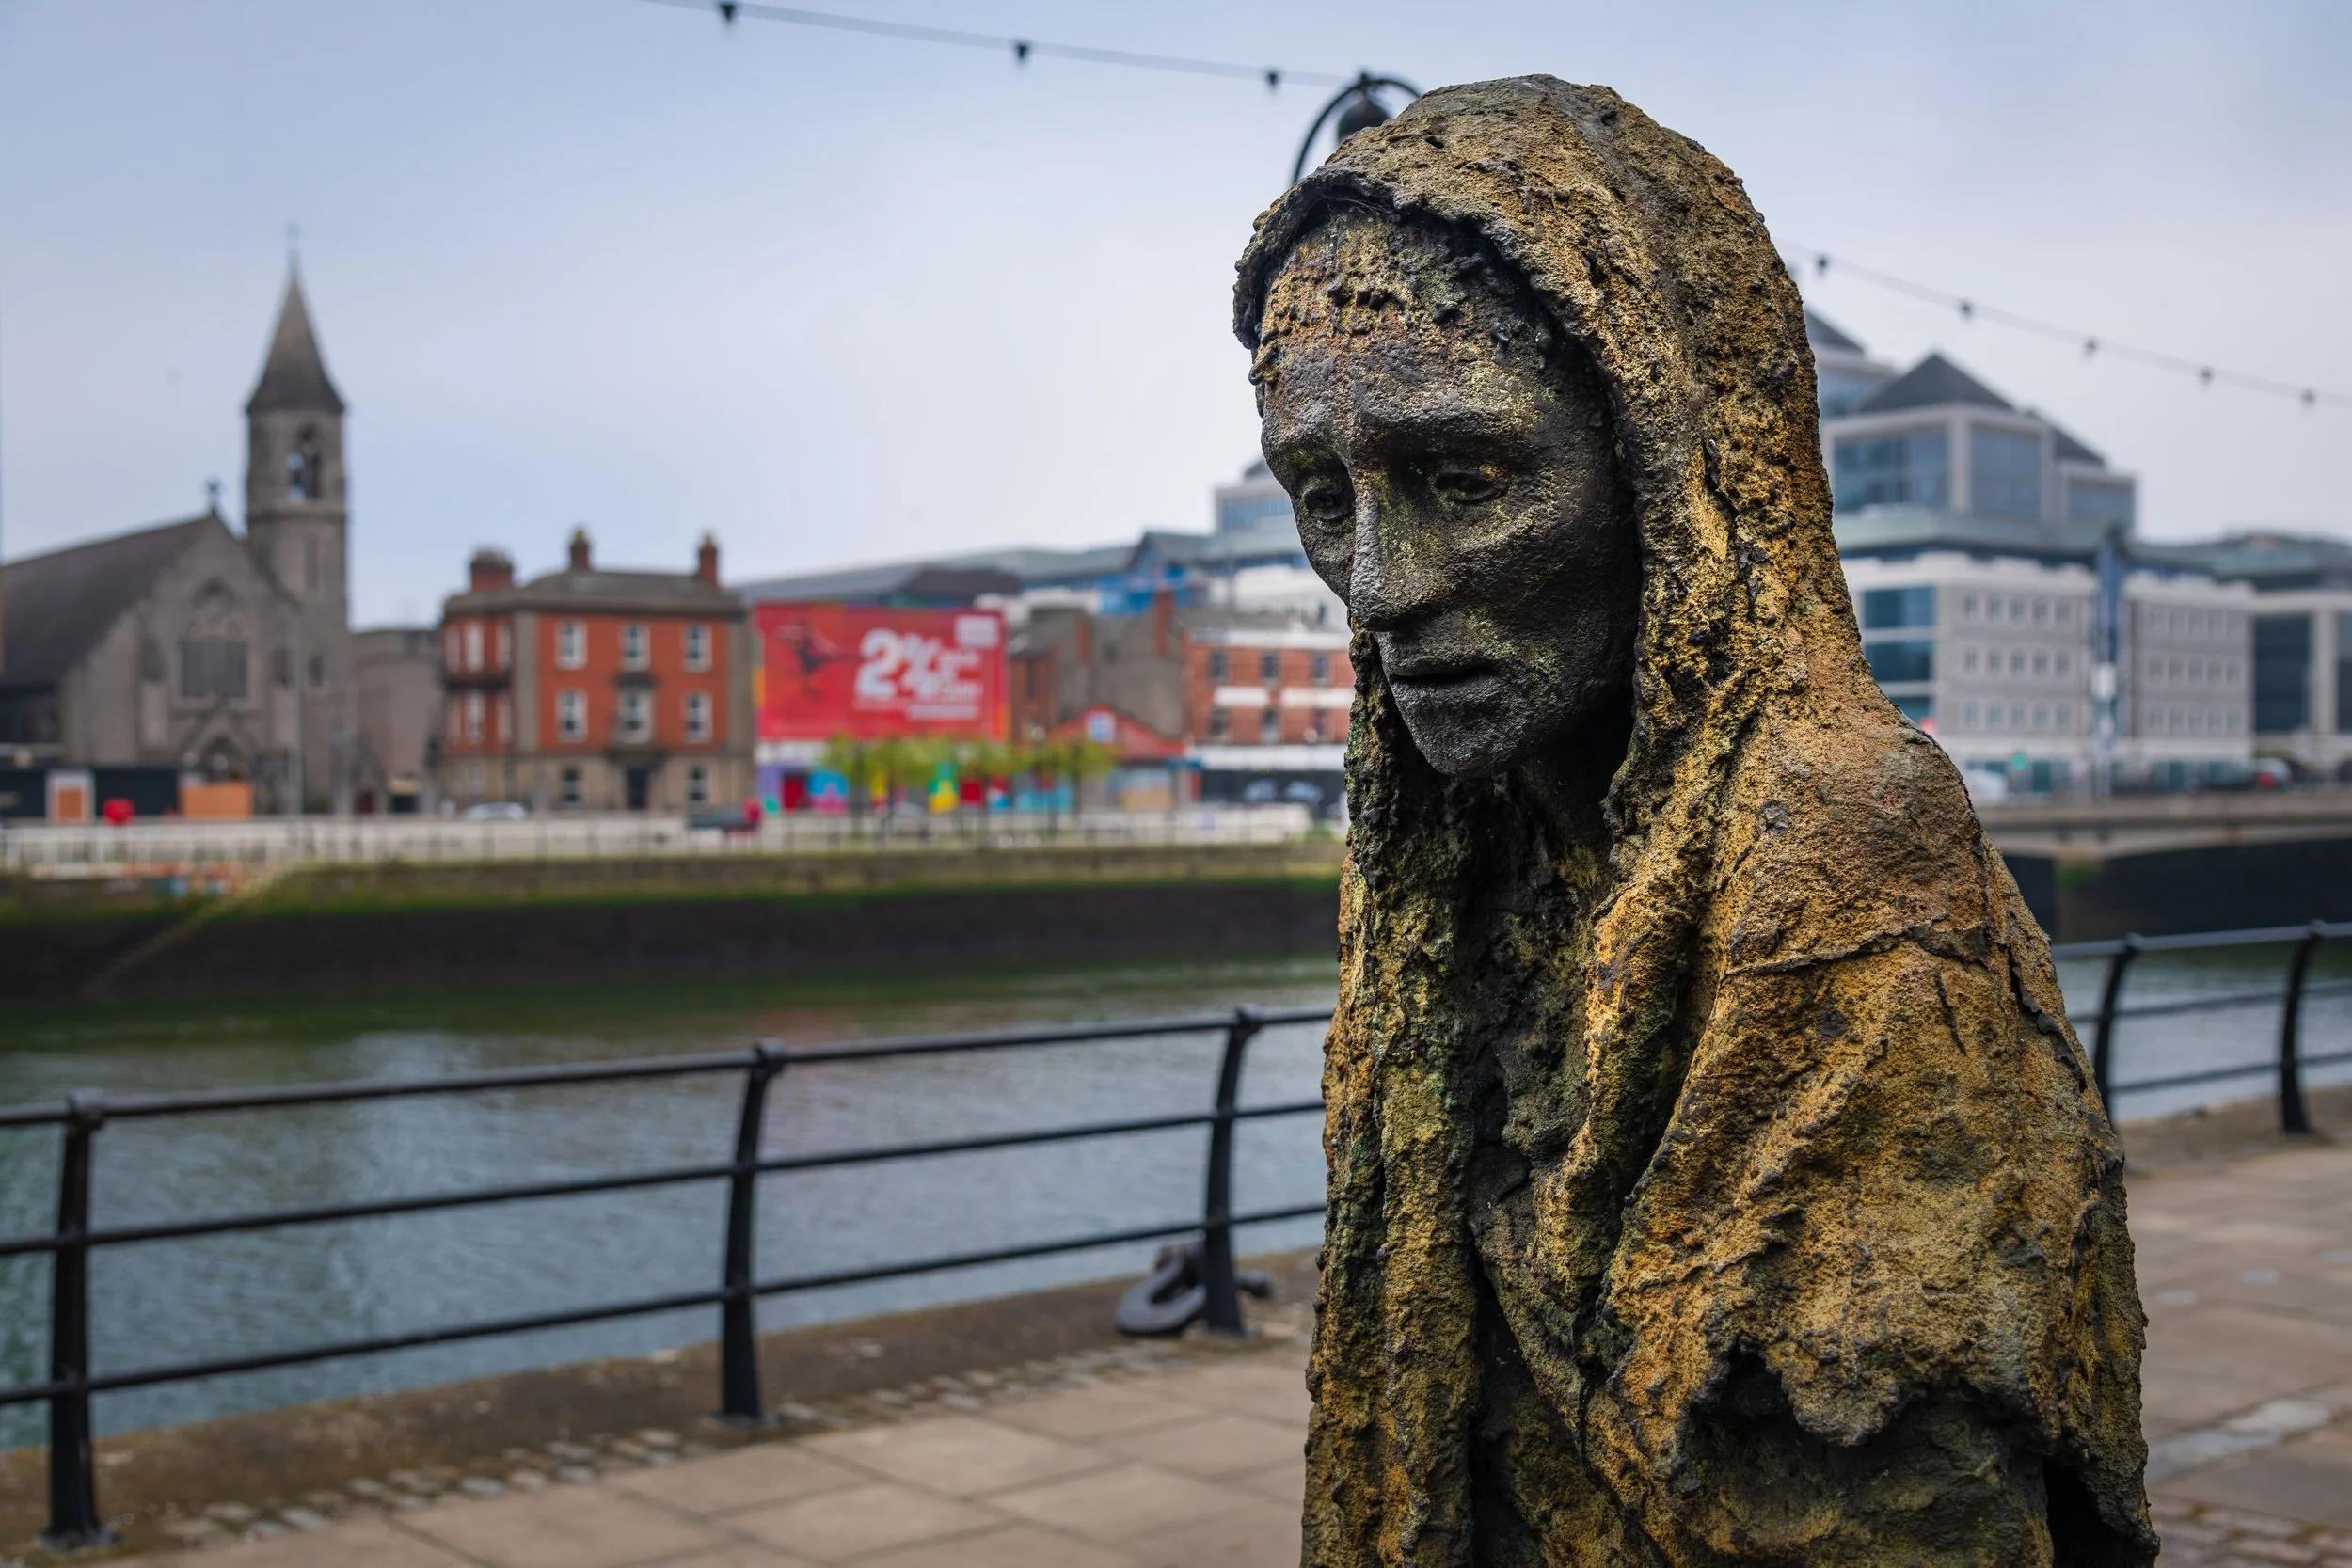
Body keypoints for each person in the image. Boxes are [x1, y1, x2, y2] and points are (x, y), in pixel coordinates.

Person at [1234, 76, 2155, 1566]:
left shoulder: (1839, 837)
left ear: (1667, 464)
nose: (1385, 587)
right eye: (1323, 496)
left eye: (1466, 477)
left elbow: (1884, 1497)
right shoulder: (1465, 843)